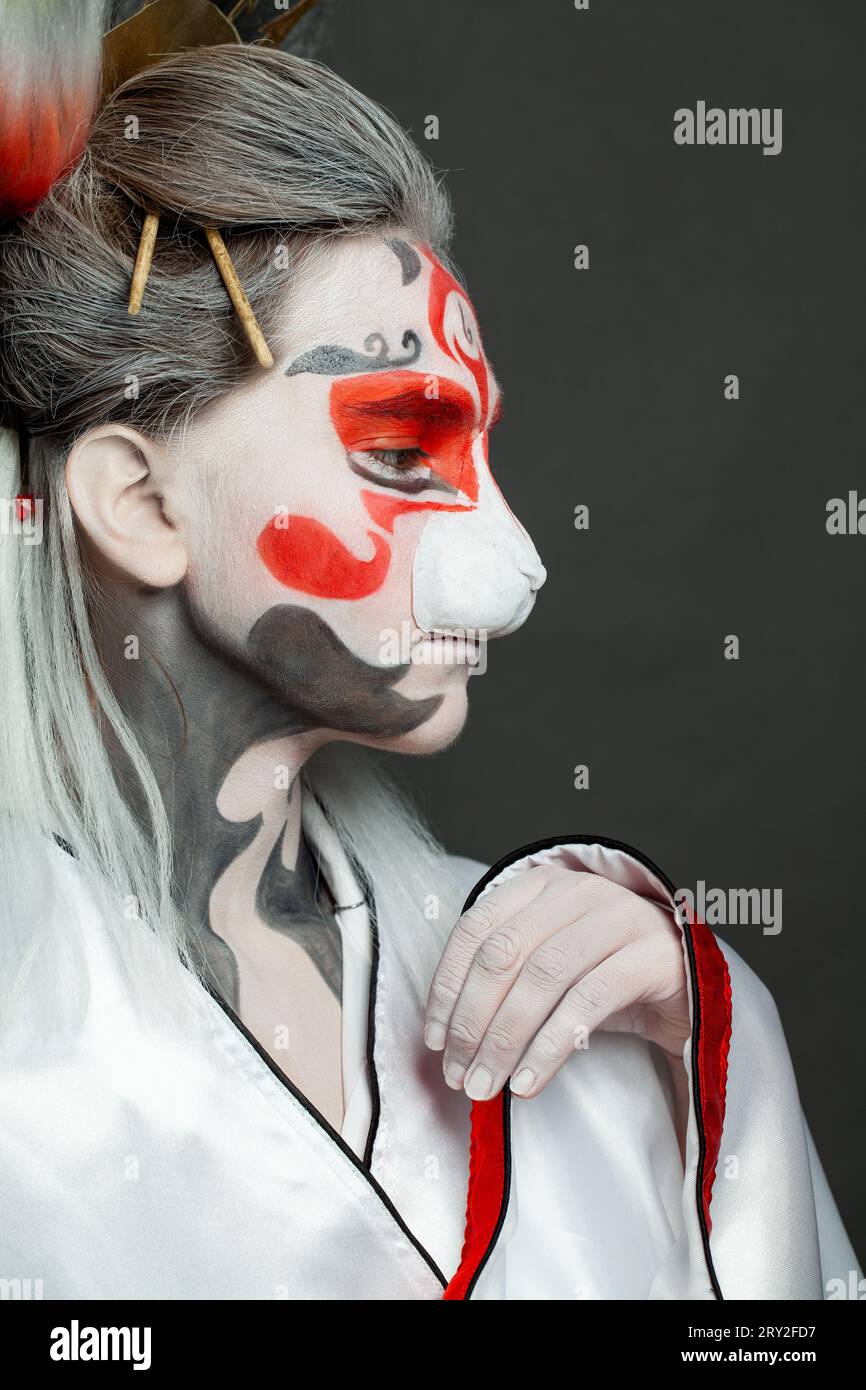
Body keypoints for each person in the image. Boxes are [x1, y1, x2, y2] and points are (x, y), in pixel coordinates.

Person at [0, 0, 858, 1300]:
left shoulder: (563, 982)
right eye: (400, 450)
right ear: (140, 501)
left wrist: (710, 1058)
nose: (514, 568)